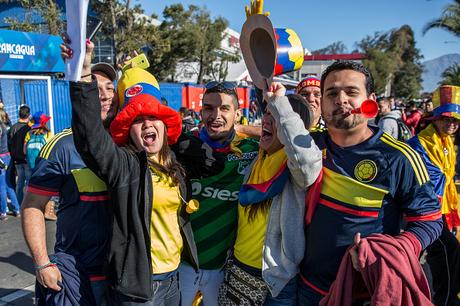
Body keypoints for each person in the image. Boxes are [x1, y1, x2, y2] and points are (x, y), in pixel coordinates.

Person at [71, 56, 222, 305]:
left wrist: (173, 134)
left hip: (174, 277)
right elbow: (90, 140)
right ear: (128, 130)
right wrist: (84, 73)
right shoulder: (124, 165)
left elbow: (210, 162)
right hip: (140, 287)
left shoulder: (175, 162)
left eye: (153, 117)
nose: (147, 124)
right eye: (137, 120)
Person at [298, 60, 442, 305]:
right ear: (321, 103)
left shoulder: (399, 157)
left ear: (370, 101)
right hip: (305, 288)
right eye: (331, 93)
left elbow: (429, 221)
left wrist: (390, 250)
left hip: (364, 294)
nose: (341, 99)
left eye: (351, 92)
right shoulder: (308, 146)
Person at [22, 40, 118, 305]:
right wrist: (42, 263)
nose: (105, 95)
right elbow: (32, 205)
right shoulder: (63, 145)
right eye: (95, 88)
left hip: (123, 274)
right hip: (78, 273)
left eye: (110, 88)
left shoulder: (127, 142)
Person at [218, 87, 322, 305]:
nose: (267, 119)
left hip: (273, 283)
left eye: (275, 116)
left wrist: (279, 103)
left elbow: (304, 154)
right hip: (238, 270)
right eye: (266, 113)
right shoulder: (257, 157)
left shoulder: (294, 169)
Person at [179, 81, 260, 306]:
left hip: (224, 266)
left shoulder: (251, 150)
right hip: (182, 264)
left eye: (224, 108)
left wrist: (243, 129)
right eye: (209, 108)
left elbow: (285, 137)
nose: (216, 115)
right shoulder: (185, 146)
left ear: (238, 114)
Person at [407, 85, 460, 306]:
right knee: (448, 251)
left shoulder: (448, 143)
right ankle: (446, 301)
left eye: (456, 120)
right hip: (426, 210)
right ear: (435, 119)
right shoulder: (419, 144)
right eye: (447, 119)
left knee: (445, 253)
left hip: (443, 209)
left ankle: (446, 298)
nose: (452, 124)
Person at [7, 104, 31, 204]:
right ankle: (29, 204)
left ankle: (19, 203)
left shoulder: (12, 128)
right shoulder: (28, 129)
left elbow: (9, 144)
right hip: (26, 159)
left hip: (16, 160)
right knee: (29, 183)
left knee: (20, 182)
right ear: (29, 115)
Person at [0, 114, 20, 220]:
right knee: (8, 184)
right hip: (7, 156)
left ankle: (3, 211)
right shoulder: (4, 126)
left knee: (2, 186)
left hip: (2, 157)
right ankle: (17, 209)